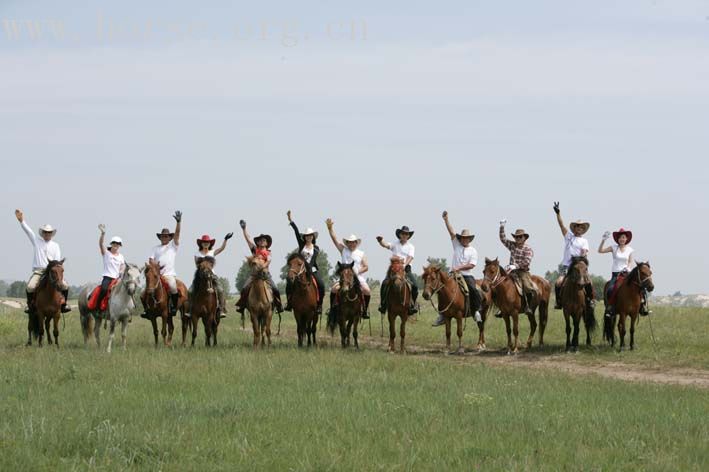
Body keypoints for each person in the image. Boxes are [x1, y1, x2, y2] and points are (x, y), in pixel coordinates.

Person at [15, 209, 71, 314]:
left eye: (49, 232)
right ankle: (30, 305)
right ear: (42, 233)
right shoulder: (36, 241)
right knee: (30, 287)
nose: (47, 234)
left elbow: (57, 262)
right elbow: (29, 232)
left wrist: (54, 269)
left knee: (65, 285)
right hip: (39, 271)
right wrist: (21, 221)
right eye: (45, 232)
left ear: (51, 234)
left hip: (52, 271)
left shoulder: (56, 245)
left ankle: (64, 304)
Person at [433, 211, 482, 326]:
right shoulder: (457, 245)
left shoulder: (473, 251)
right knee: (441, 289)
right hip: (452, 274)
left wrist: (459, 268)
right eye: (463, 238)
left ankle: (476, 311)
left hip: (466, 275)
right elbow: (451, 232)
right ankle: (442, 314)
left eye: (466, 238)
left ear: (469, 239)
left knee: (474, 290)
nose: (464, 240)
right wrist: (446, 220)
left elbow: (472, 265)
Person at [325, 218, 371, 319]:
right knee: (333, 289)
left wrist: (357, 271)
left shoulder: (361, 253)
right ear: (347, 243)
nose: (351, 244)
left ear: (356, 243)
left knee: (367, 291)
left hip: (358, 278)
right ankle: (332, 309)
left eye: (353, 242)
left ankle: (365, 310)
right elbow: (335, 239)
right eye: (349, 242)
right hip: (344, 278)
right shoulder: (343, 250)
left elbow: (366, 266)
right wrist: (330, 228)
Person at [234, 220, 283, 314]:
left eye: (264, 240)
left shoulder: (269, 252)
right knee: (244, 288)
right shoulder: (254, 250)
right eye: (260, 240)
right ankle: (242, 306)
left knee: (275, 289)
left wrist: (261, 267)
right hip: (254, 275)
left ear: (267, 243)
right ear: (258, 242)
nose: (262, 241)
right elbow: (248, 239)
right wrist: (244, 229)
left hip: (265, 275)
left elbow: (268, 261)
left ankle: (279, 306)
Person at [552, 202, 594, 311]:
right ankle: (559, 302)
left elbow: (584, 253)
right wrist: (558, 213)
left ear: (583, 229)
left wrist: (579, 261)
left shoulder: (584, 241)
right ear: (574, 228)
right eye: (577, 226)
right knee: (558, 282)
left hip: (578, 266)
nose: (579, 228)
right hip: (565, 265)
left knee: (589, 281)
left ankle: (590, 300)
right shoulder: (568, 236)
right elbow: (561, 225)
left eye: (581, 227)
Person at [141, 210, 182, 318]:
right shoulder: (155, 248)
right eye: (163, 236)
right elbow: (150, 260)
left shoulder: (173, 246)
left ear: (169, 237)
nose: (164, 238)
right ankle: (147, 310)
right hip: (156, 275)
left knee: (173, 286)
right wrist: (155, 264)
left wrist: (178, 223)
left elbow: (177, 235)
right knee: (143, 293)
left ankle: (173, 307)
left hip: (168, 274)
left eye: (166, 236)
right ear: (160, 237)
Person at [598, 228, 648, 316]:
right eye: (620, 237)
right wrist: (603, 240)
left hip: (626, 273)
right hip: (616, 273)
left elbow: (630, 261)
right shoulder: (613, 248)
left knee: (641, 287)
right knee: (610, 289)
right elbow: (600, 251)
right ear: (618, 239)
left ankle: (642, 307)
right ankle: (610, 308)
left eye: (624, 237)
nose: (622, 239)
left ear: (626, 239)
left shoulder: (630, 249)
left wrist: (627, 268)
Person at [285, 210, 325, 316]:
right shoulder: (302, 245)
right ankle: (289, 303)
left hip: (311, 270)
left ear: (313, 237)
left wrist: (308, 269)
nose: (309, 237)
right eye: (307, 235)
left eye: (310, 235)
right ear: (305, 237)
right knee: (289, 282)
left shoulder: (316, 248)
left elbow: (312, 261)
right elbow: (296, 232)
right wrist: (291, 220)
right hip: (299, 269)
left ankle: (319, 305)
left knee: (321, 285)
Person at [376, 225, 418, 315]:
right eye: (403, 233)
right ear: (400, 234)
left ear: (408, 236)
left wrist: (404, 265)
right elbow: (386, 245)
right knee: (384, 283)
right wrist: (380, 241)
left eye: (406, 234)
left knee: (415, 286)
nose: (404, 235)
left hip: (405, 268)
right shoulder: (395, 244)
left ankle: (413, 305)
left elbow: (410, 257)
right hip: (394, 269)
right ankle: (383, 304)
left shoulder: (411, 246)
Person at [498, 219, 536, 317]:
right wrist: (502, 226)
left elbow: (527, 262)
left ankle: (528, 306)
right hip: (511, 272)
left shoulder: (528, 249)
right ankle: (501, 307)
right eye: (516, 237)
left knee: (527, 286)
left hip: (523, 272)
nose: (518, 238)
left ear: (524, 238)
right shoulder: (512, 245)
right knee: (499, 284)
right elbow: (503, 239)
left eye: (520, 237)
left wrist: (516, 266)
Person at [194, 232, 233, 317]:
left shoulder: (212, 252)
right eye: (204, 242)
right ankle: (190, 309)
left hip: (212, 275)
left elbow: (222, 248)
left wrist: (225, 239)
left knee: (220, 290)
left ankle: (222, 309)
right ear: (201, 243)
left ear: (210, 243)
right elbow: (197, 265)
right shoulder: (197, 253)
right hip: (200, 276)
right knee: (190, 291)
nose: (205, 244)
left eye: (207, 242)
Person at [92, 224, 126, 311]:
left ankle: (126, 311)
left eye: (118, 244)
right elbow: (101, 243)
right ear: (111, 244)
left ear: (120, 245)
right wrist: (103, 234)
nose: (116, 245)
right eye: (114, 243)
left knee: (127, 290)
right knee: (103, 290)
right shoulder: (106, 253)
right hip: (107, 277)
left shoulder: (121, 256)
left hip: (117, 279)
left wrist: (121, 273)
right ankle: (98, 307)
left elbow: (122, 267)